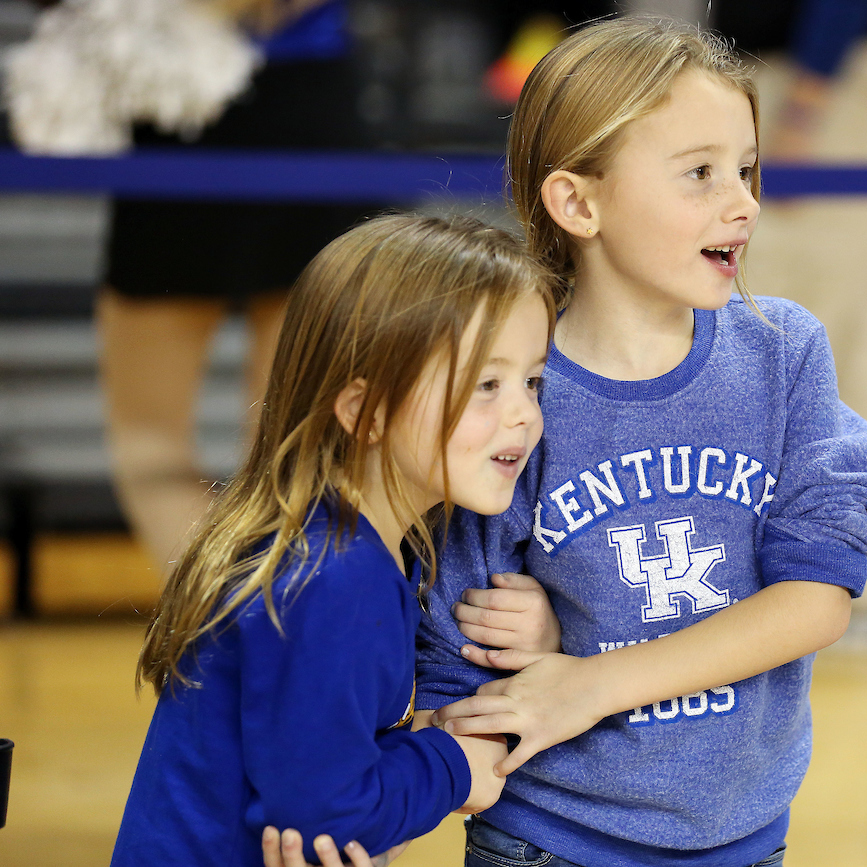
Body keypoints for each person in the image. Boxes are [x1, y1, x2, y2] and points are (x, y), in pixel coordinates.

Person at [414, 17, 867, 867]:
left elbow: (817, 598)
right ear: (578, 203)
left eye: (745, 169)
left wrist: (587, 671)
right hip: (544, 841)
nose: (743, 202)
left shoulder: (784, 354)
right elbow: (458, 664)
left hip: (746, 842)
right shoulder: (513, 391)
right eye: (700, 174)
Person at [109, 214, 558, 867]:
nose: (523, 413)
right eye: (486, 384)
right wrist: (454, 764)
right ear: (364, 411)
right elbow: (324, 819)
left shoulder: (364, 544)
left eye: (532, 381)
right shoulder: (332, 576)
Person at [97, 0, 370, 570]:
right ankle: (252, 612)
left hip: (190, 113)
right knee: (294, 451)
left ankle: (221, 614)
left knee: (154, 442)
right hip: (290, 115)